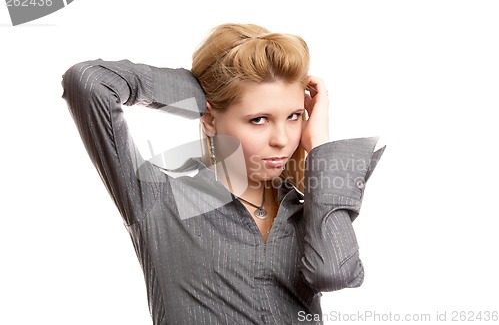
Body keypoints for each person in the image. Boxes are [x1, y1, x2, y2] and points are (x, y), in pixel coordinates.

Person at [62, 23, 385, 325]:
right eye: (258, 119)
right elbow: (90, 82)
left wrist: (319, 150)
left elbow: (334, 275)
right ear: (210, 119)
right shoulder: (157, 200)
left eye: (294, 116)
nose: (282, 139)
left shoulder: (311, 209)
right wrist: (204, 91)